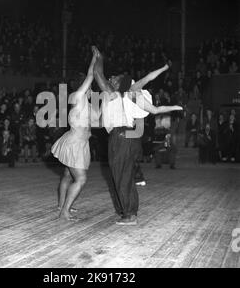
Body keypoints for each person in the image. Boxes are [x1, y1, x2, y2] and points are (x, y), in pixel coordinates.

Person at [93, 47, 183, 225]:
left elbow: (97, 73)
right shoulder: (127, 95)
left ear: (119, 84)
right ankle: (129, 211)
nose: (111, 78)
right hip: (129, 137)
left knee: (120, 175)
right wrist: (174, 106)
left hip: (120, 136)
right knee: (125, 175)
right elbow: (154, 101)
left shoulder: (113, 93)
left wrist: (98, 58)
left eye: (115, 78)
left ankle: (128, 214)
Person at [51, 46, 98, 221]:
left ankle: (61, 205)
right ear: (83, 85)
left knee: (67, 175)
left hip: (78, 141)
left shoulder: (83, 99)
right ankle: (64, 212)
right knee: (81, 179)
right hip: (75, 143)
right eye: (88, 85)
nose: (90, 86)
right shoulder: (78, 96)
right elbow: (91, 75)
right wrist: (95, 59)